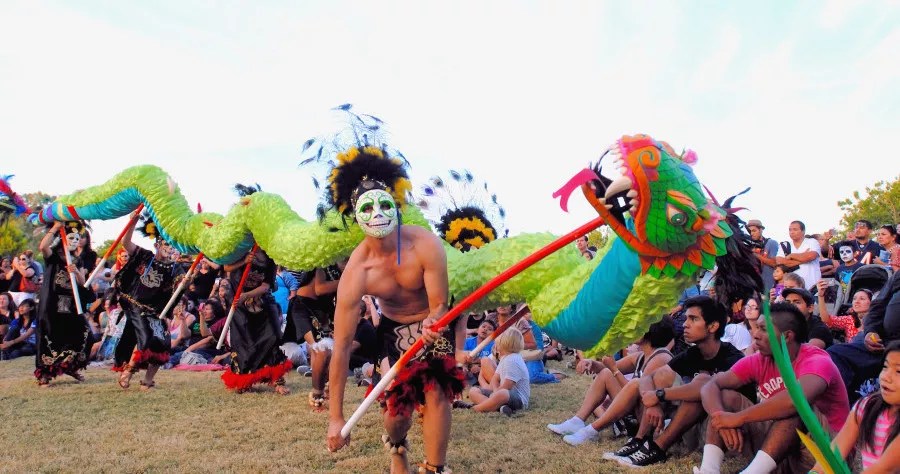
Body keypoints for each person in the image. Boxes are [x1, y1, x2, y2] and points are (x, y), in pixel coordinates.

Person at [324, 144, 465, 474]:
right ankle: (397, 447)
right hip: (392, 332)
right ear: (356, 216)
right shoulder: (357, 272)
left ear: (397, 207)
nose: (378, 213)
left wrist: (435, 320)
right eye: (367, 207)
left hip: (433, 326)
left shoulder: (424, 243)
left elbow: (440, 304)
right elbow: (341, 347)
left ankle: (435, 468)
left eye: (385, 204)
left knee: (436, 390)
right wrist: (336, 418)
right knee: (396, 415)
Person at [695, 302, 849, 474]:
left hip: (825, 453)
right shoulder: (761, 359)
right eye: (756, 328)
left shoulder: (817, 361)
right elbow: (711, 385)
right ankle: (708, 470)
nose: (755, 335)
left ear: (787, 336)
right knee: (725, 398)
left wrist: (738, 418)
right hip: (780, 450)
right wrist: (720, 418)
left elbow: (794, 402)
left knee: (794, 409)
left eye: (764, 329)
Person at [599, 297, 752, 468]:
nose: (685, 324)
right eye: (686, 318)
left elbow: (705, 388)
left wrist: (660, 395)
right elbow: (648, 378)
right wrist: (652, 403)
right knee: (664, 378)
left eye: (693, 319)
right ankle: (640, 440)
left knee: (699, 386)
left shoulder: (733, 358)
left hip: (731, 434)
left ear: (713, 326)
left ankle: (657, 448)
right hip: (699, 429)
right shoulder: (693, 353)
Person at [548, 316, 674, 442]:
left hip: (648, 419)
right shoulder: (641, 356)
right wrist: (591, 363)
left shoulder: (661, 358)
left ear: (650, 331)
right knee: (605, 373)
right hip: (636, 410)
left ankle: (591, 430)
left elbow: (641, 393)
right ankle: (577, 421)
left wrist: (614, 370)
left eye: (639, 327)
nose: (634, 329)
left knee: (633, 382)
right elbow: (607, 368)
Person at [112, 213, 185, 390]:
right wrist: (133, 222)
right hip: (136, 305)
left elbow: (180, 286)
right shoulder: (144, 256)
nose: (169, 248)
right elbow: (126, 243)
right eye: (166, 244)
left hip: (157, 310)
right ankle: (128, 371)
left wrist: (186, 281)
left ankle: (147, 380)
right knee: (145, 338)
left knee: (162, 343)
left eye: (172, 245)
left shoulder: (175, 268)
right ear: (157, 245)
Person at [810, 341, 900, 473]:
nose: (886, 377)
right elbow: (837, 448)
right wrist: (816, 471)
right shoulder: (866, 406)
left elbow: (884, 468)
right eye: (885, 367)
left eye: (898, 371)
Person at [219, 244, 291, 394]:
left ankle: (277, 380)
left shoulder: (270, 257)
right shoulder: (241, 249)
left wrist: (247, 295)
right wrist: (244, 261)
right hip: (238, 304)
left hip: (261, 302)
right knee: (243, 342)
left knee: (271, 338)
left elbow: (266, 286)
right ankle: (245, 381)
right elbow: (226, 267)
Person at [34, 221, 96, 386]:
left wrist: (76, 272)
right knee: (49, 335)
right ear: (63, 238)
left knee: (84, 333)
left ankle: (70, 365)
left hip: (70, 303)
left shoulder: (77, 260)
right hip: (51, 303)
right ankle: (44, 374)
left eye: (77, 238)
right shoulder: (53, 257)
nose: (75, 241)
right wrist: (56, 227)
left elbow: (83, 283)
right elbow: (42, 246)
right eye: (71, 237)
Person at [829, 271, 900, 402]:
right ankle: (845, 407)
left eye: (862, 299)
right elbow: (877, 306)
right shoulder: (898, 277)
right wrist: (871, 332)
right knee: (836, 353)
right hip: (882, 343)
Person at [466, 327, 530, 415]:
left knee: (502, 394)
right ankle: (499, 408)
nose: (495, 346)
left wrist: (495, 394)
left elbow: (508, 386)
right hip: (501, 393)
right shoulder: (504, 358)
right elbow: (495, 379)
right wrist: (495, 391)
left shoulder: (513, 360)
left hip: (517, 399)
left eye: (497, 344)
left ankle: (475, 408)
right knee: (473, 391)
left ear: (504, 344)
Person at [775, 221, 821, 291]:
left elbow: (811, 256)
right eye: (790, 230)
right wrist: (804, 259)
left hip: (813, 286)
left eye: (795, 229)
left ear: (803, 231)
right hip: (792, 288)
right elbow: (780, 262)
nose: (792, 232)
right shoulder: (784, 245)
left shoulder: (812, 242)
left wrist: (792, 256)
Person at [746, 220, 780, 292]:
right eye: (750, 231)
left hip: (770, 287)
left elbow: (774, 263)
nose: (751, 233)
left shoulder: (771, 243)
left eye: (754, 231)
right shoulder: (749, 246)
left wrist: (755, 254)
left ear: (761, 230)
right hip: (754, 288)